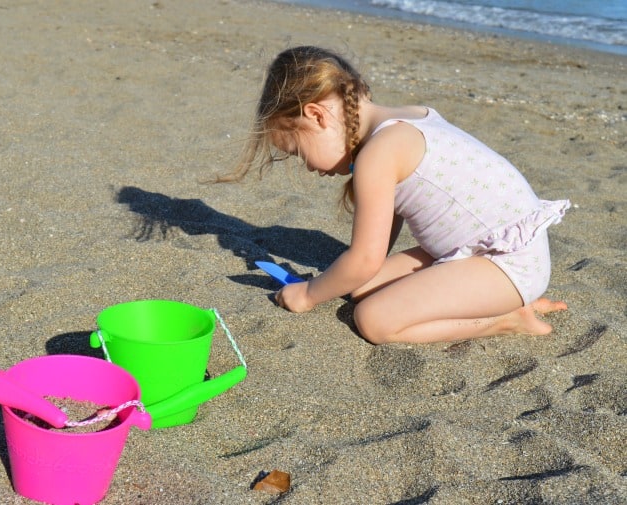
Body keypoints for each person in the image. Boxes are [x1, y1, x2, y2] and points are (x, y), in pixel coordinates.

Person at [224, 45, 570, 344]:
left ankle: (504, 318)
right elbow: (379, 239)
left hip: (506, 265)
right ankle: (497, 301)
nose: (309, 168)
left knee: (374, 319)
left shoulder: (379, 154)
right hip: (484, 251)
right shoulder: (410, 117)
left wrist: (309, 294)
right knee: (360, 288)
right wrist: (356, 272)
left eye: (299, 152)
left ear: (316, 116)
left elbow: (364, 259)